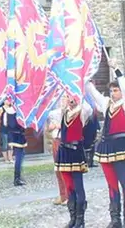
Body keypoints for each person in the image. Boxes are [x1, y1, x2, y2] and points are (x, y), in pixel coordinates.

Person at [88, 67, 125, 228]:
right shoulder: (107, 104)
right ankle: (115, 219)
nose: (113, 93)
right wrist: (84, 75)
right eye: (111, 90)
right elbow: (92, 91)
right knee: (111, 184)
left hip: (121, 146)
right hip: (106, 146)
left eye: (116, 90)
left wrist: (116, 69)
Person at [54, 93, 92, 228]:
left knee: (78, 186)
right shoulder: (62, 113)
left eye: (73, 97)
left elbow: (88, 108)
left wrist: (80, 93)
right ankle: (73, 218)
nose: (70, 100)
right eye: (67, 97)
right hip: (64, 152)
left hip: (75, 151)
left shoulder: (82, 112)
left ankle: (80, 220)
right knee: (69, 186)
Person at [45, 101, 68, 206]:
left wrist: (61, 125)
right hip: (56, 141)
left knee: (66, 170)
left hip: (66, 142)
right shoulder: (54, 113)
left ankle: (68, 195)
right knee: (58, 170)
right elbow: (48, 128)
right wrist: (53, 126)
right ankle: (62, 194)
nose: (63, 100)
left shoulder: (73, 112)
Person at [3, 97, 27, 186]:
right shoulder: (19, 111)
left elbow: (5, 124)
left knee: (19, 156)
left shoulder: (6, 112)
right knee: (19, 157)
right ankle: (17, 178)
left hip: (12, 135)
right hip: (19, 136)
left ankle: (19, 176)